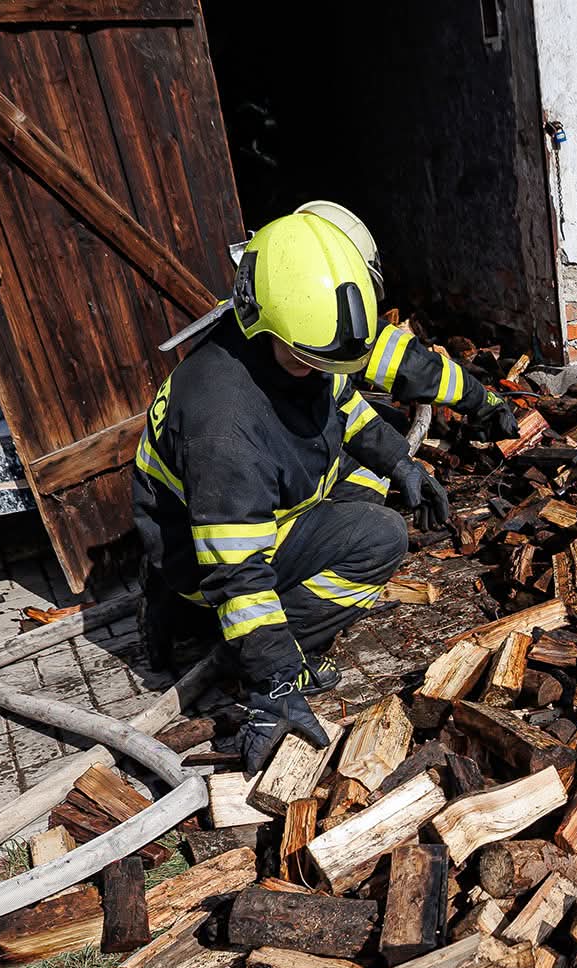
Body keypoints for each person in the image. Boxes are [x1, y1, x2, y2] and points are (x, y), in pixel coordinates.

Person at [131, 212, 451, 773]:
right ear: (265, 322)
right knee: (378, 540)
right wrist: (274, 680)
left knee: (368, 498)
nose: (316, 371)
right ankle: (253, 650)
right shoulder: (225, 424)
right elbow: (235, 569)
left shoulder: (293, 340)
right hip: (202, 558)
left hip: (247, 518)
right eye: (308, 362)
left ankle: (238, 636)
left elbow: (342, 407)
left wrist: (399, 463)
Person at [294, 201, 520, 487]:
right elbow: (411, 368)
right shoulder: (320, 322)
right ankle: (360, 516)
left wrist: (478, 398)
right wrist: (483, 402)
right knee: (372, 466)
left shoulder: (258, 311)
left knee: (388, 423)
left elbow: (406, 361)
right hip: (285, 485)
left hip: (280, 455)